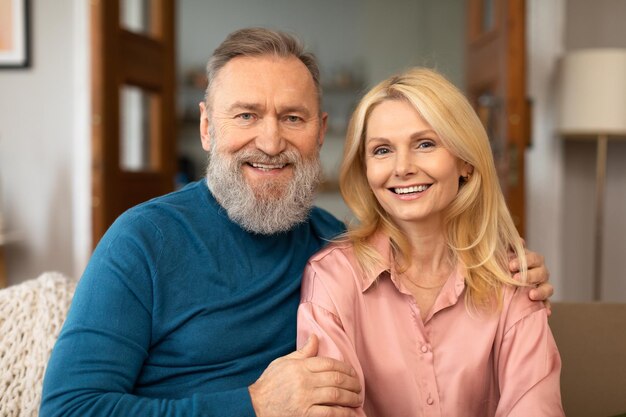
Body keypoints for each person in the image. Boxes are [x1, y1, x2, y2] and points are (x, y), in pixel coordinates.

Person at [40, 28, 553, 417]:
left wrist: (508, 266)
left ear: (320, 131)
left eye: (292, 117)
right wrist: (253, 404)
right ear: (205, 127)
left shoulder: (333, 247)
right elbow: (67, 408)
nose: (269, 141)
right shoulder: (143, 240)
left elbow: (428, 263)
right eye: (245, 116)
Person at [297, 67, 564, 416]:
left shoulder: (514, 277)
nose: (402, 167)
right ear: (365, 169)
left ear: (465, 161)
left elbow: (535, 407)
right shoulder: (331, 277)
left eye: (425, 144)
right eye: (381, 150)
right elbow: (331, 410)